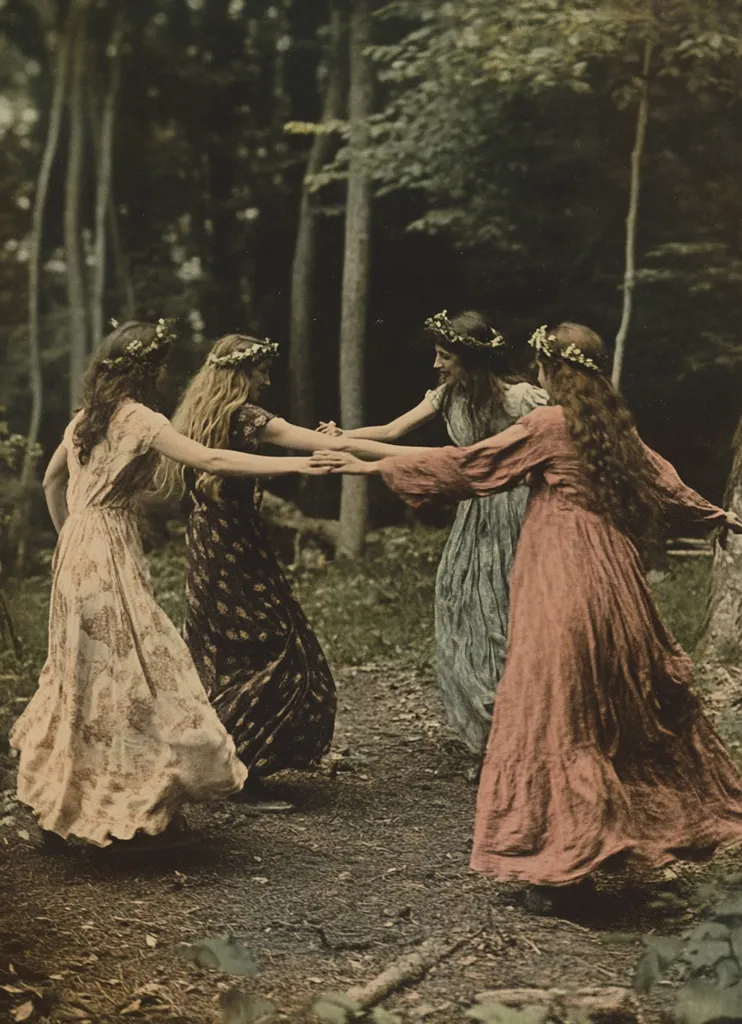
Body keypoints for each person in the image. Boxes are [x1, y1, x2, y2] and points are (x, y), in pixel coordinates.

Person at [312, 322, 742, 910]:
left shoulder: (547, 424)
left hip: (560, 575)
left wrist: (368, 468)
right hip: (615, 579)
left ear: (547, 369)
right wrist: (714, 515)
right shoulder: (612, 424)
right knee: (605, 707)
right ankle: (598, 847)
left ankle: (559, 871)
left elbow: (470, 467)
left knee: (553, 713)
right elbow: (663, 483)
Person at [10, 320, 332, 849]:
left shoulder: (85, 420)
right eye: (160, 366)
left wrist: (69, 536)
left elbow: (52, 481)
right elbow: (212, 459)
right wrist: (301, 464)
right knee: (135, 675)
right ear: (146, 370)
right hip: (109, 548)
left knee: (81, 679)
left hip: (76, 553)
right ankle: (122, 802)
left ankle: (68, 800)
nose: (165, 375)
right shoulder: (139, 417)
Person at [159, 333, 426, 806]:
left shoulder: (198, 414)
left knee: (227, 649)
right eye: (260, 372)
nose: (265, 381)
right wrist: (337, 446)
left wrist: (337, 441)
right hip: (234, 549)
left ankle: (225, 762)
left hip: (209, 544)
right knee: (274, 647)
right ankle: (239, 769)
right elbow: (300, 441)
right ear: (241, 374)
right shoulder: (246, 417)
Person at [318, 310, 547, 762]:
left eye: (445, 356)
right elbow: (390, 431)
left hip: (521, 513)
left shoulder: (523, 398)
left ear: (472, 360)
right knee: (459, 601)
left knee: (507, 610)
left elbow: (558, 442)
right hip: (473, 513)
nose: (436, 365)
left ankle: (522, 727)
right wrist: (343, 437)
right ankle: (487, 726)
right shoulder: (447, 396)